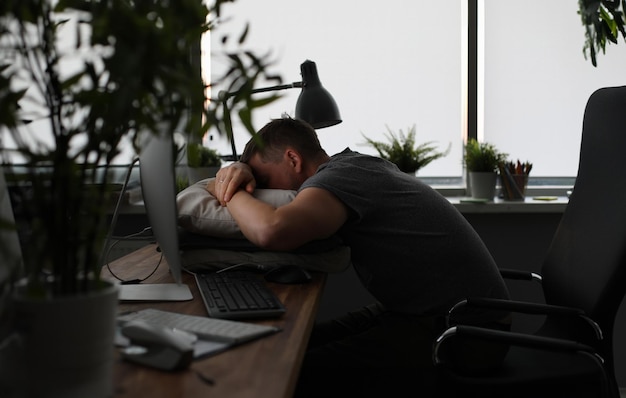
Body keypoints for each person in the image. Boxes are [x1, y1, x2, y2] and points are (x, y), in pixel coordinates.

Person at [207, 117, 511, 397]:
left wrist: (230, 191)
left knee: (290, 372)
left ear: (293, 159)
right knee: (289, 344)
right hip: (428, 314)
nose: (262, 190)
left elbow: (272, 230)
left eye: (262, 179)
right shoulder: (354, 167)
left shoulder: (339, 179)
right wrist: (238, 171)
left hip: (465, 334)